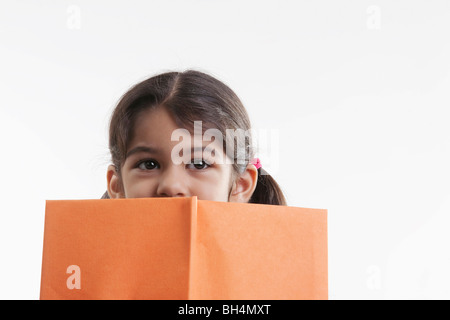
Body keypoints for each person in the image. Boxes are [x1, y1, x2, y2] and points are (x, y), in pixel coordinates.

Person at [101, 70, 286, 205]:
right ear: (116, 185)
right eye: (149, 164)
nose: (171, 186)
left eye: (199, 164)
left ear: (241, 185)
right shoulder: (83, 258)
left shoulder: (277, 258)